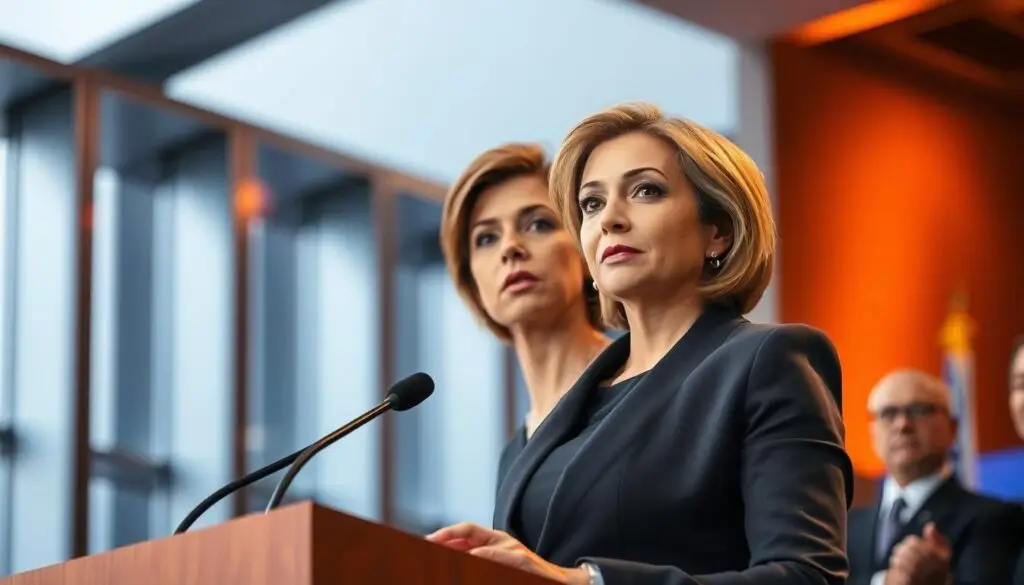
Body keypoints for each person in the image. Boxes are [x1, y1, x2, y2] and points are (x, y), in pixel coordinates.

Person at [427, 102, 852, 585]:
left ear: (718, 231)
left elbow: (807, 576)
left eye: (646, 190)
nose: (609, 218)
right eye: (592, 204)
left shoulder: (769, 360)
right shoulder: (556, 422)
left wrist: (589, 581)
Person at [438, 143, 610, 480]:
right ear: (472, 282)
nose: (510, 248)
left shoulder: (645, 384)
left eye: (538, 224)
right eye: (486, 238)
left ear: (585, 248)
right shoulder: (512, 459)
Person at [847, 369, 1024, 585]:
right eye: (888, 413)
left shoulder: (995, 519)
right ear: (872, 430)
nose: (903, 424)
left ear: (953, 427)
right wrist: (884, 582)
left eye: (919, 410)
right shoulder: (845, 526)